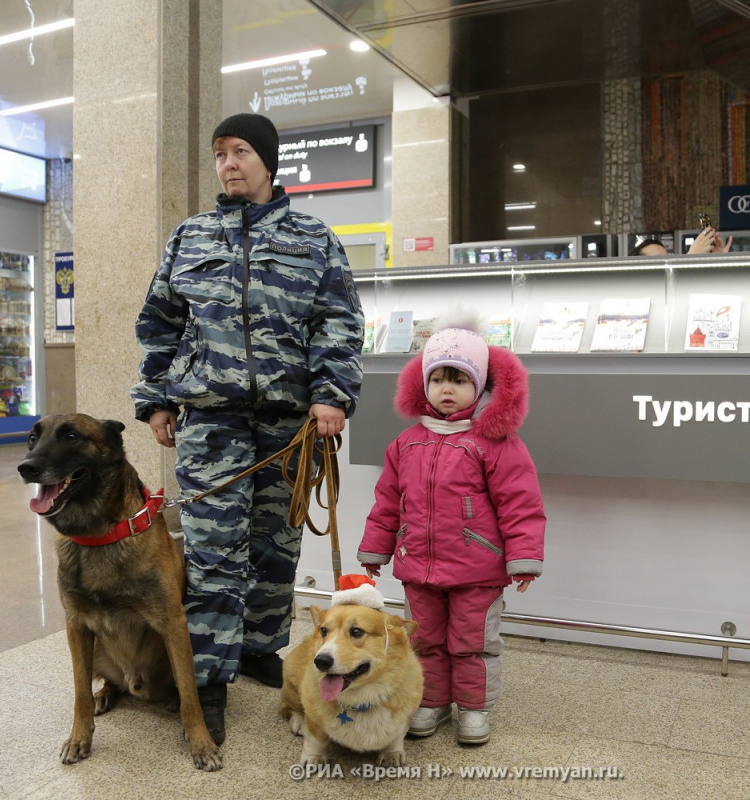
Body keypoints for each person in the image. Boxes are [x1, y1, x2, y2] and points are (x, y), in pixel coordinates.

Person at [131, 113, 364, 746]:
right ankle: (205, 681)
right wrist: (154, 399)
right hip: (210, 421)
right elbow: (158, 323)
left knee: (276, 545)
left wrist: (332, 395)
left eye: (241, 152)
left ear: (268, 161)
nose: (229, 163)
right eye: (219, 154)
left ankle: (261, 647)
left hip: (291, 426)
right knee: (210, 553)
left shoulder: (314, 238)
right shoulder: (190, 237)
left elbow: (338, 321)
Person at [357, 322, 546, 746]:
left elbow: (521, 504)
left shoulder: (495, 443)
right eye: (438, 378)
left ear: (479, 387)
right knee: (425, 641)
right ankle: (434, 701)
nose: (447, 388)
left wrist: (524, 557)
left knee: (472, 642)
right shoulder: (406, 443)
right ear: (423, 385)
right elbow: (388, 501)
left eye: (459, 379)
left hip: (476, 569)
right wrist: (375, 550)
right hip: (418, 567)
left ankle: (474, 708)